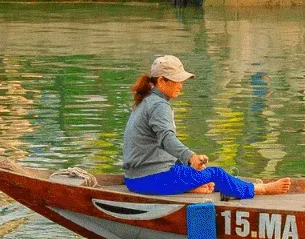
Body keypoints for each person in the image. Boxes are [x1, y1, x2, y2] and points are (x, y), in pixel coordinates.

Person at [122, 55, 284, 200]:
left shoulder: (146, 101)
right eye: (176, 80)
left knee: (197, 171)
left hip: (134, 179)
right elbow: (167, 139)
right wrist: (191, 157)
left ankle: (190, 188)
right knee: (217, 174)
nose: (181, 85)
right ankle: (260, 189)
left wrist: (188, 163)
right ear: (161, 81)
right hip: (150, 179)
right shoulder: (159, 105)